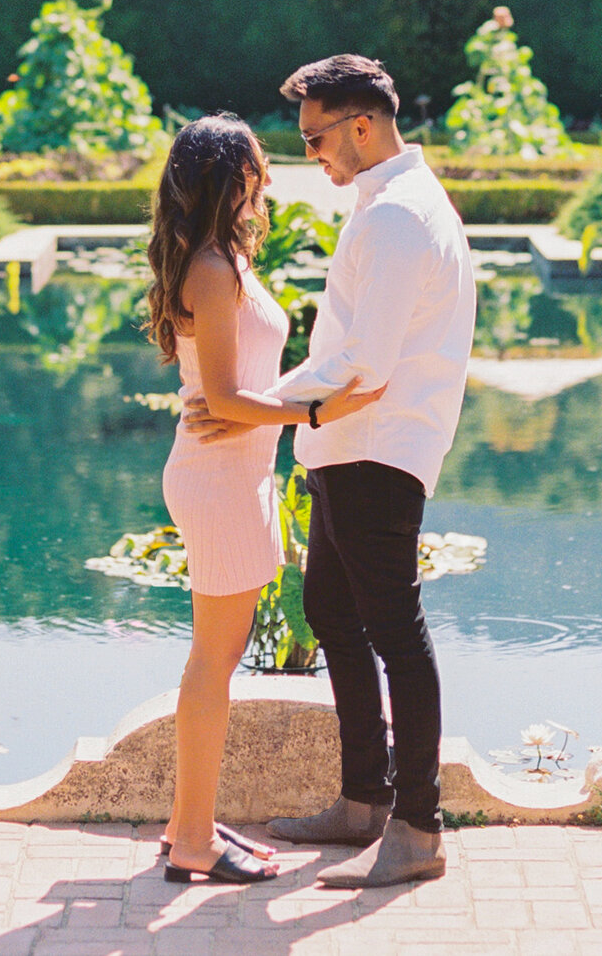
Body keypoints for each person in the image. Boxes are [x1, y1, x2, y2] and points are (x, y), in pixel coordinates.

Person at [184, 53, 477, 889]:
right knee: (332, 613)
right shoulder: (397, 203)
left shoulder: (394, 218)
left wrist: (251, 402)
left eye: (316, 136)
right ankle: (363, 799)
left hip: (377, 447)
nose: (309, 153)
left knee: (394, 632)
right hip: (352, 446)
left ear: (361, 125)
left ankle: (418, 827)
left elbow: (364, 363)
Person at [145, 113, 388, 884]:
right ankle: (190, 841)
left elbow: (235, 392)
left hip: (235, 472)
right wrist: (316, 411)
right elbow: (221, 395)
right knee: (212, 662)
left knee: (210, 659)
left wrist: (278, 402)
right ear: (229, 176)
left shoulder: (224, 258)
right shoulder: (213, 269)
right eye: (258, 166)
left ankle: (191, 822)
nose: (272, 178)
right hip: (217, 481)